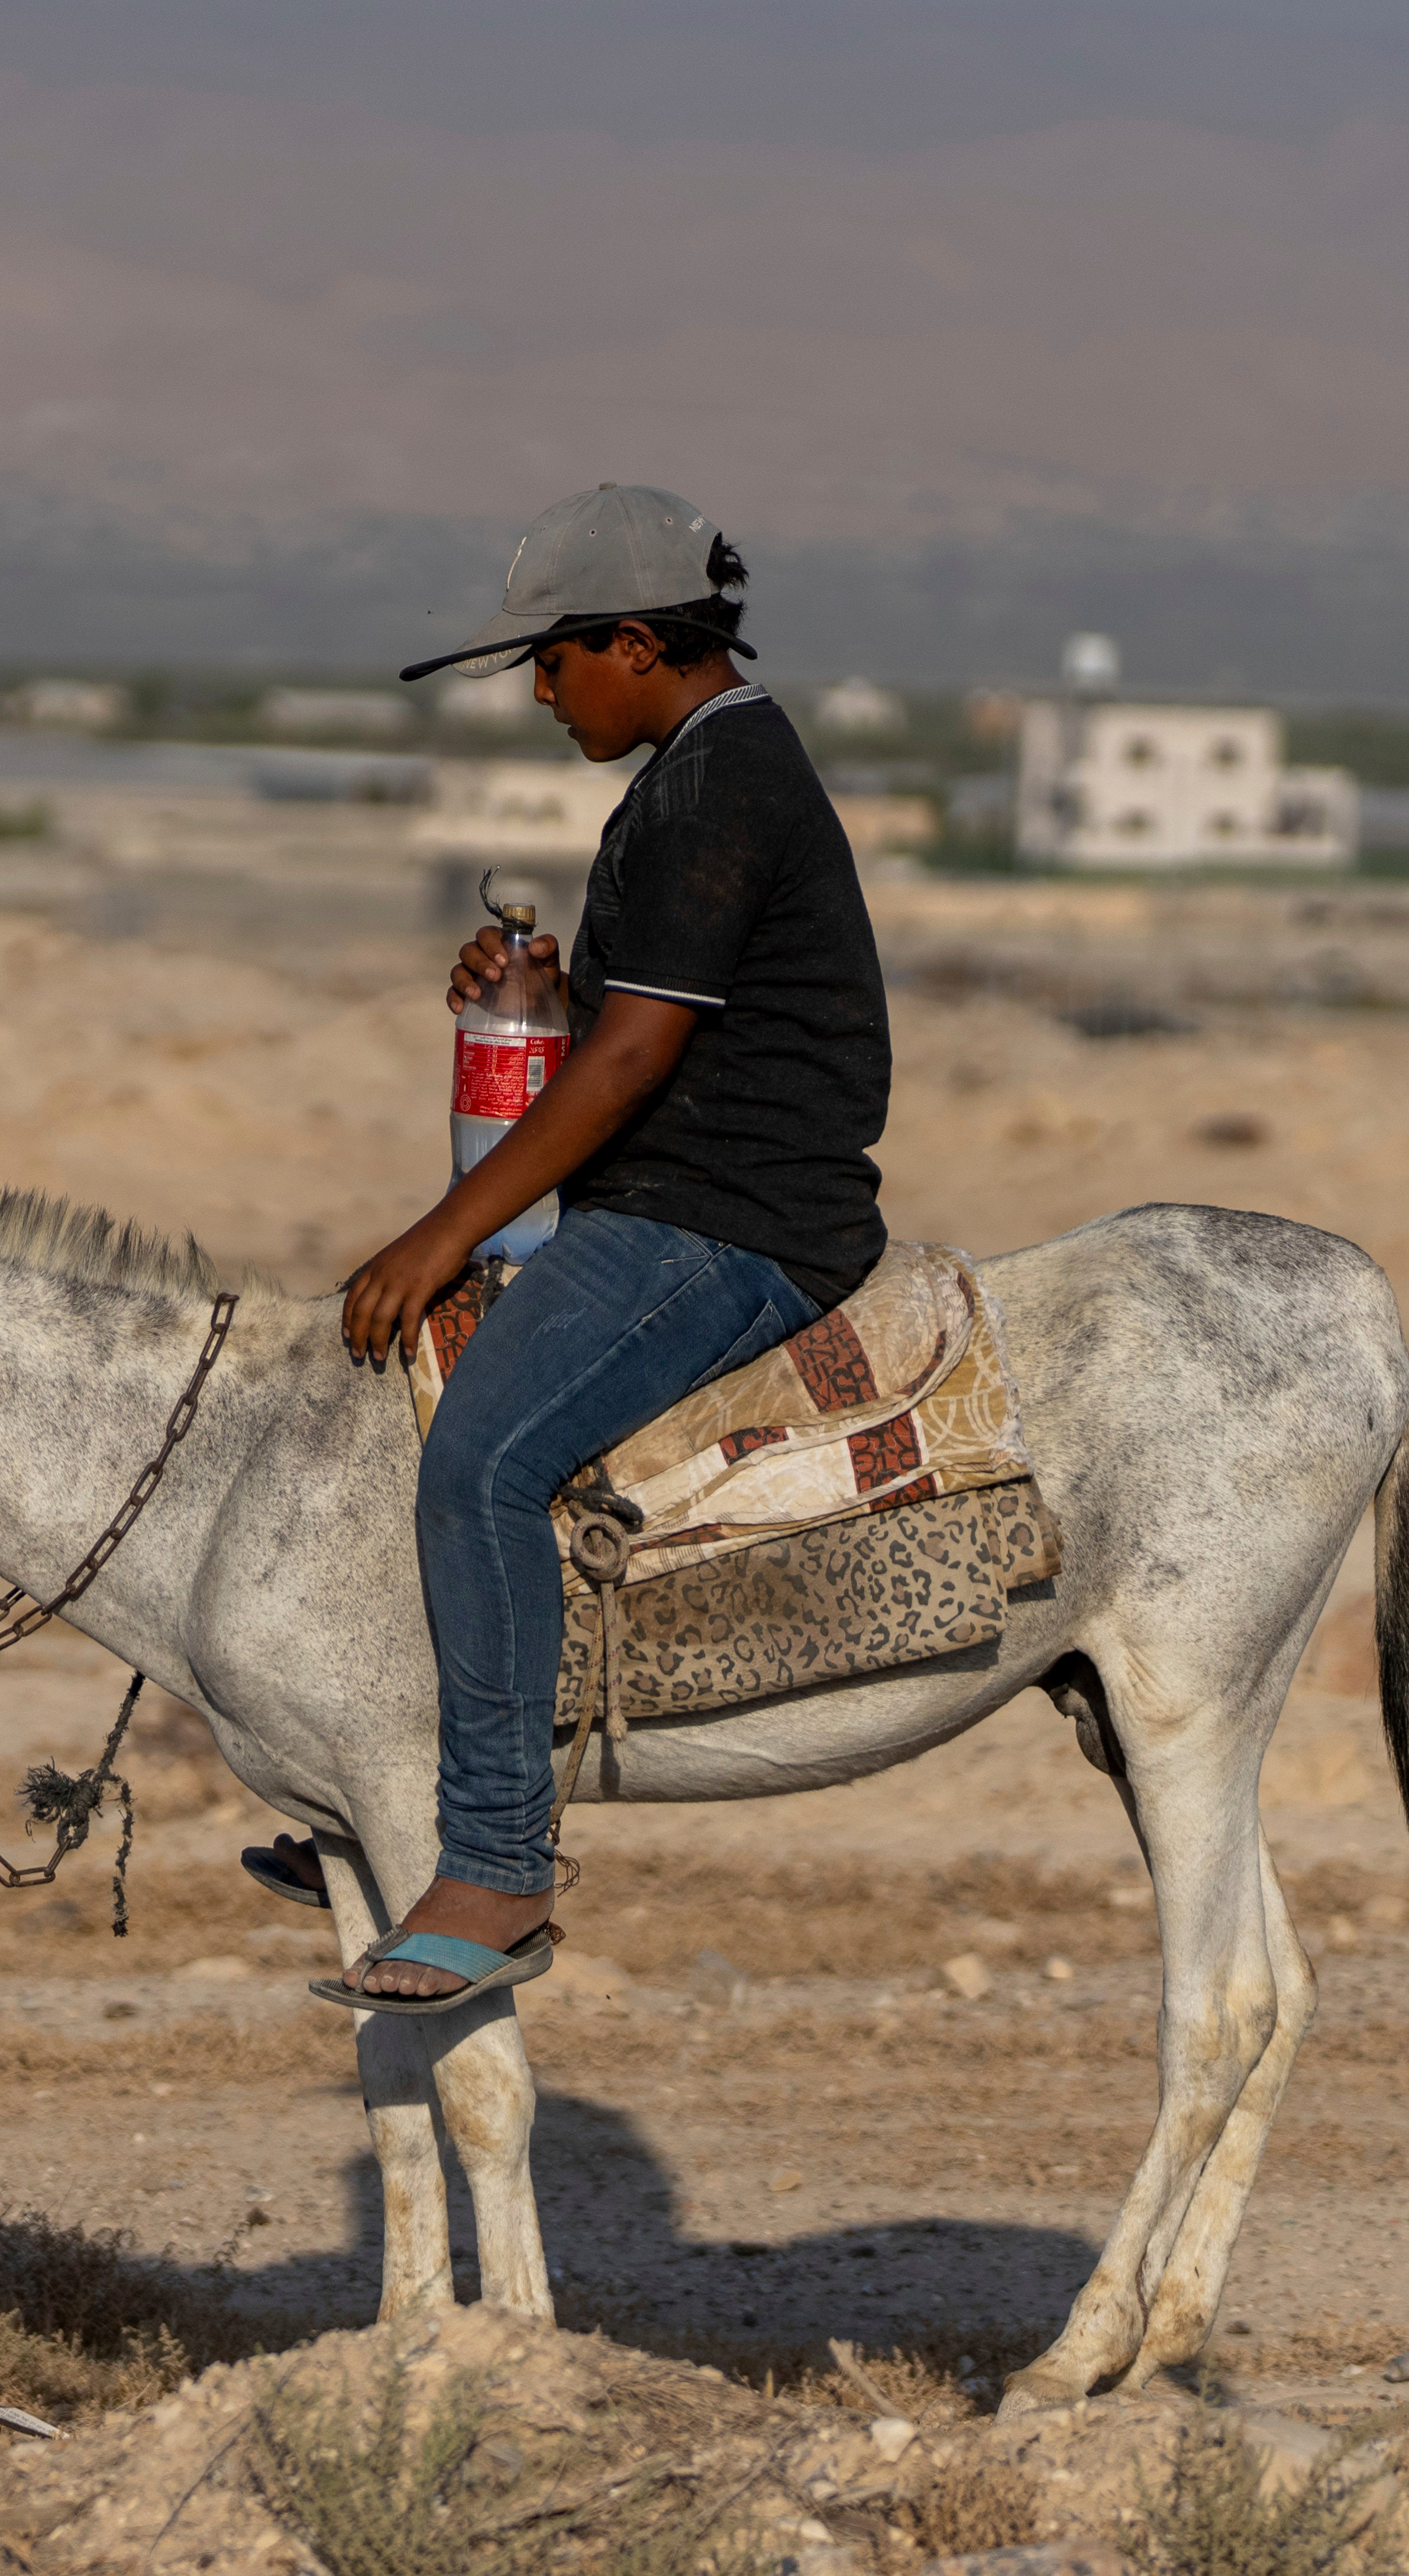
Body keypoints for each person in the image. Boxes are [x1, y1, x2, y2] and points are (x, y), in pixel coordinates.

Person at [289, 482, 895, 2010]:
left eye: (552, 662)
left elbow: (631, 1073)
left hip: (732, 1220)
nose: (542, 693)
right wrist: (538, 1004)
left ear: (637, 640)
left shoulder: (715, 788)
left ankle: (495, 1864)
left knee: (483, 1462)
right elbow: (636, 1034)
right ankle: (399, 1780)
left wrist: (439, 1234)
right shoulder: (692, 776)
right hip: (672, 1190)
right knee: (407, 1421)